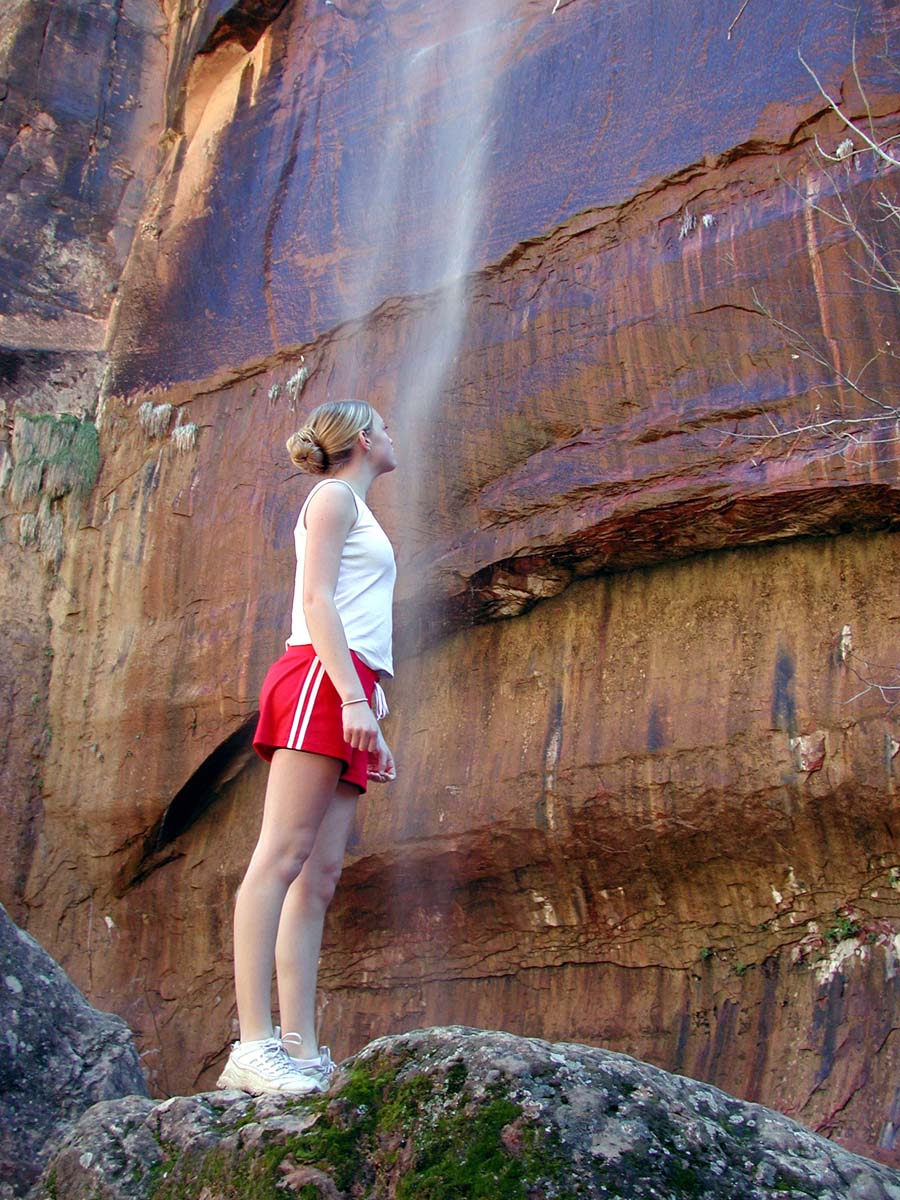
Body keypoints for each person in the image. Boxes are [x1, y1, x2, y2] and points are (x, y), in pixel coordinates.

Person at [217, 399, 397, 1095]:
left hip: (352, 686)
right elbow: (317, 601)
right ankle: (253, 1045)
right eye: (383, 426)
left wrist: (371, 708)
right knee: (281, 858)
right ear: (359, 438)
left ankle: (300, 1049)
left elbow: (359, 614)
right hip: (322, 679)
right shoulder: (330, 496)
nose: (393, 435)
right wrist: (352, 696)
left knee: (319, 878)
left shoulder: (360, 508)